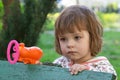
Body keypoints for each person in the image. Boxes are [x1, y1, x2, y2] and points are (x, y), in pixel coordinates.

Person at [53, 5, 117, 78]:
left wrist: (87, 72)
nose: (69, 44)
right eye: (63, 39)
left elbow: (108, 77)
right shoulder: (60, 63)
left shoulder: (102, 67)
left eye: (77, 37)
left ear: (92, 37)